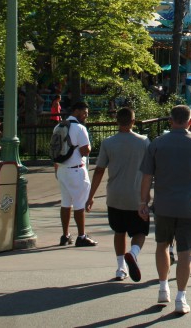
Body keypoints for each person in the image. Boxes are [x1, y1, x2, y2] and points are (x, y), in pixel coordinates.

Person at [139, 105, 191, 315]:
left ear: (170, 120)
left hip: (163, 205)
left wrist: (143, 202)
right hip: (189, 207)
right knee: (185, 253)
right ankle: (180, 297)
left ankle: (163, 286)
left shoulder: (157, 143)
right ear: (190, 121)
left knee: (162, 245)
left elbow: (147, 176)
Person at [85, 107, 150, 282]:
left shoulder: (108, 143)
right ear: (133, 121)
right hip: (137, 196)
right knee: (140, 231)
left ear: (116, 121)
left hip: (115, 195)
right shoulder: (144, 141)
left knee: (119, 231)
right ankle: (134, 253)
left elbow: (99, 170)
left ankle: (121, 268)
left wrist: (90, 196)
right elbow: (150, 170)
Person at [54, 101, 96, 247]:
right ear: (76, 111)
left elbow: (55, 151)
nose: (85, 116)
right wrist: (89, 146)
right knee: (79, 204)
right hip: (76, 170)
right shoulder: (79, 128)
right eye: (84, 113)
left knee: (65, 203)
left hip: (62, 169)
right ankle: (81, 236)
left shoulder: (58, 126)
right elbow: (85, 150)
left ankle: (65, 235)